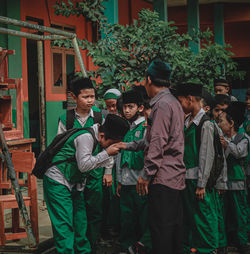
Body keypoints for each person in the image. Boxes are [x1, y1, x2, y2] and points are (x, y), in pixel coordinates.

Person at [119, 59, 186, 254]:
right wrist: (128, 145)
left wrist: (146, 175)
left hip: (163, 178)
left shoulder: (162, 105)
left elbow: (157, 143)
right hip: (174, 177)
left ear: (148, 79)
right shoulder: (173, 102)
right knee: (172, 231)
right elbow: (155, 139)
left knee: (161, 232)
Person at [44, 114, 129, 254]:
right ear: (102, 135)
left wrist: (107, 154)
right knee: (64, 224)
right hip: (57, 180)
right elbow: (84, 165)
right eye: (112, 143)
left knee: (80, 222)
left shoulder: (98, 138)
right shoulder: (86, 137)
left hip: (75, 182)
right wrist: (107, 152)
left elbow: (98, 163)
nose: (111, 147)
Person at [57, 77, 110, 251]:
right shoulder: (67, 118)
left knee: (94, 210)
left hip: (95, 172)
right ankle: (77, 245)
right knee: (75, 211)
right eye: (85, 97)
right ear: (73, 96)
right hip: (73, 173)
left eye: (92, 96)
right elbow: (59, 145)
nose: (90, 101)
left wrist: (108, 171)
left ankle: (92, 244)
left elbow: (109, 145)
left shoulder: (100, 117)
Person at [176, 82, 226, 254]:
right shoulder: (188, 121)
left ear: (190, 99)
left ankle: (209, 249)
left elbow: (207, 156)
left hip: (199, 180)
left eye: (181, 101)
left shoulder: (206, 124)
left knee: (205, 217)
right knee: (191, 218)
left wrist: (202, 184)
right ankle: (195, 248)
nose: (180, 105)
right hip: (187, 179)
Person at [116, 89, 151, 254]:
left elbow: (149, 155)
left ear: (141, 108)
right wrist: (118, 180)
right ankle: (126, 247)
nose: (127, 110)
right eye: (124, 107)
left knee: (143, 218)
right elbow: (119, 156)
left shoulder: (145, 128)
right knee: (126, 219)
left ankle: (141, 247)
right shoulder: (126, 128)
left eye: (130, 107)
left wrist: (146, 177)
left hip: (140, 181)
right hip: (126, 181)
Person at [218, 102, 250, 254]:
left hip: (238, 183)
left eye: (222, 121)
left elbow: (239, 152)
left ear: (231, 123)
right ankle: (224, 242)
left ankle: (242, 243)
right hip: (224, 183)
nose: (219, 124)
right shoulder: (222, 138)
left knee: (240, 214)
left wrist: (227, 145)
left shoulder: (243, 138)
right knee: (224, 214)